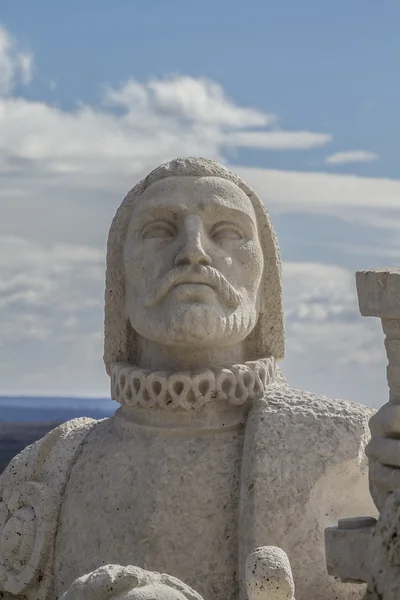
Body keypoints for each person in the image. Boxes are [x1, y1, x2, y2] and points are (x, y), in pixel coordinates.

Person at [0, 158, 377, 600]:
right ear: (118, 279)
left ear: (266, 280)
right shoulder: (46, 473)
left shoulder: (349, 449)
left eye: (228, 232)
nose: (193, 251)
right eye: (159, 229)